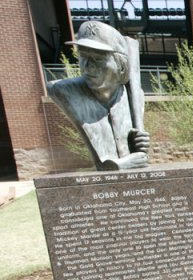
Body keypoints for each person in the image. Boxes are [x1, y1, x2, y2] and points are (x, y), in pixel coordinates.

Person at [47, 21, 150, 170]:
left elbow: (140, 158)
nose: (88, 66)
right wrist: (119, 165)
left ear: (121, 65)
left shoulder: (134, 96)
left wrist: (141, 143)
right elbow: (107, 166)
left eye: (98, 59)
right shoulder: (63, 91)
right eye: (83, 57)